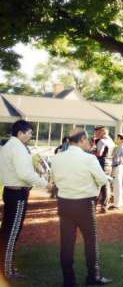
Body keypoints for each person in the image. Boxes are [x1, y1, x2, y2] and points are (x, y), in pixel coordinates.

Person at [50, 128, 112, 287]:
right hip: (85, 204)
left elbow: (55, 180)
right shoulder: (89, 159)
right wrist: (102, 181)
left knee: (66, 243)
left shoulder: (56, 158)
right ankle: (93, 277)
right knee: (91, 242)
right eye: (88, 140)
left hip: (64, 203)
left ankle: (69, 282)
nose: (90, 143)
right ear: (82, 140)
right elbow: (101, 179)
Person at [0, 120, 48, 280]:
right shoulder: (18, 148)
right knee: (12, 232)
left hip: (10, 191)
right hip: (17, 194)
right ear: (20, 133)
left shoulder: (8, 146)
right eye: (29, 133)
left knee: (7, 230)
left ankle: (6, 266)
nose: (30, 136)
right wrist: (45, 184)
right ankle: (8, 270)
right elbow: (25, 174)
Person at [94, 126, 115, 213]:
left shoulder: (102, 141)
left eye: (97, 133)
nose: (96, 134)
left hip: (101, 164)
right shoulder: (111, 142)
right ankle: (104, 206)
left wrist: (92, 151)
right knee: (106, 186)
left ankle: (93, 207)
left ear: (102, 132)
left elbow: (99, 154)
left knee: (97, 185)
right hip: (109, 164)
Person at [111, 133, 123, 210]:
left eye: (118, 138)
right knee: (116, 185)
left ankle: (117, 204)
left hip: (118, 166)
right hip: (117, 166)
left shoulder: (122, 147)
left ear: (122, 139)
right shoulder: (119, 146)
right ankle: (117, 203)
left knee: (117, 186)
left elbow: (117, 158)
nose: (116, 139)